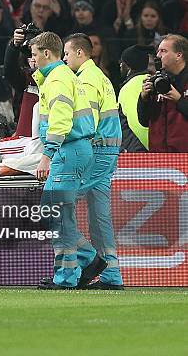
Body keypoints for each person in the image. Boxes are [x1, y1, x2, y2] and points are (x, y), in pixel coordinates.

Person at [30, 31, 97, 290]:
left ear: (47, 53)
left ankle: (82, 264)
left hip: (66, 150)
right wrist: (38, 72)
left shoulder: (58, 79)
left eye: (35, 55)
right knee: (59, 216)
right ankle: (76, 270)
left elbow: (60, 119)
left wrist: (47, 154)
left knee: (53, 214)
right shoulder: (60, 76)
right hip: (73, 149)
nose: (32, 60)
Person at [62, 33, 124, 290]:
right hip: (108, 150)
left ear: (80, 53)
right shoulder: (100, 76)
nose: (64, 59)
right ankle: (111, 274)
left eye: (66, 53)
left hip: (96, 150)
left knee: (59, 205)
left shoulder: (85, 80)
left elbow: (88, 123)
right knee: (99, 215)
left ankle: (87, 262)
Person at [137, 34, 188, 152]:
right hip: (159, 158)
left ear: (178, 55)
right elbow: (144, 121)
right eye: (158, 51)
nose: (158, 55)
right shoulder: (157, 81)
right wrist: (143, 99)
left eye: (163, 51)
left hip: (185, 157)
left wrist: (179, 100)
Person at [118, 44, 151, 152]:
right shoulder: (150, 81)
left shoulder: (129, 88)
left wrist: (149, 147)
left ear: (128, 65)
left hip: (140, 149)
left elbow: (136, 123)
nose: (120, 65)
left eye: (122, 62)